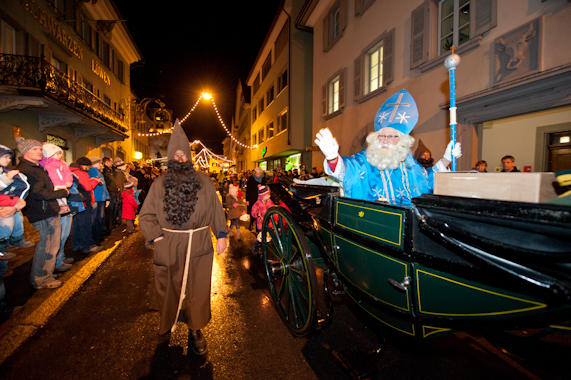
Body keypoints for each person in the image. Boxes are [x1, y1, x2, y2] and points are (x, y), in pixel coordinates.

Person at [139, 120, 228, 356]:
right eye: (176, 155)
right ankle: (166, 326)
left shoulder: (205, 182)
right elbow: (146, 215)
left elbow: (216, 210)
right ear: (170, 158)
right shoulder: (159, 184)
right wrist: (156, 237)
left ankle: (195, 329)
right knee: (168, 287)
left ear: (189, 158)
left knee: (197, 288)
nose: (180, 159)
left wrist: (221, 234)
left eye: (183, 155)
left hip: (198, 242)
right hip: (168, 243)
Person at [314, 89, 462, 206]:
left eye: (392, 136)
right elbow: (348, 170)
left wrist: (446, 158)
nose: (385, 140)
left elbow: (427, 180)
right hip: (375, 226)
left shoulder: (409, 163)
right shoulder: (365, 159)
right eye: (382, 135)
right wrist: (333, 157)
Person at [16, 137, 68, 289]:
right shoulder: (27, 169)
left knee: (52, 246)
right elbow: (38, 193)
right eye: (35, 149)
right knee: (47, 247)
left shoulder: (36, 167)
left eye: (40, 148)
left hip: (48, 210)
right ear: (26, 152)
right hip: (42, 212)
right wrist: (60, 193)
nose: (40, 151)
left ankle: (47, 273)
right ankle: (41, 279)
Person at [0, 145, 31, 252]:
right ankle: (2, 249)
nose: (7, 160)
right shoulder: (5, 172)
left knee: (18, 220)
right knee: (6, 225)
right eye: (4, 157)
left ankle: (16, 240)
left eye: (9, 157)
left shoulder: (6, 170)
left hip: (9, 202)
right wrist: (8, 178)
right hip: (3, 204)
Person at [70, 157, 102, 256]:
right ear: (84, 165)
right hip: (84, 202)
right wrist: (95, 181)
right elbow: (88, 187)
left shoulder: (71, 171)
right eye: (88, 166)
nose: (88, 168)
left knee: (77, 225)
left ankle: (77, 245)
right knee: (85, 225)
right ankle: (88, 246)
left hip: (75, 203)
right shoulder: (81, 173)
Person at [38, 143, 72, 215]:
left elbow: (67, 173)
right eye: (57, 154)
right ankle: (60, 208)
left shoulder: (62, 164)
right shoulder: (44, 163)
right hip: (51, 185)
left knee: (62, 198)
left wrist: (68, 181)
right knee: (55, 200)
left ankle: (64, 207)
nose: (60, 156)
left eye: (60, 154)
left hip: (61, 184)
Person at [88, 157, 109, 243]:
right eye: (100, 163)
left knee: (99, 219)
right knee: (96, 219)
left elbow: (104, 187)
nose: (101, 165)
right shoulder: (92, 171)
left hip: (101, 198)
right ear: (95, 164)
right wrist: (106, 197)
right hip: (97, 199)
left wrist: (107, 197)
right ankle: (96, 238)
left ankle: (99, 237)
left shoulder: (98, 172)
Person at [250, 185, 275, 256]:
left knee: (266, 237)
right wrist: (257, 214)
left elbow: (272, 208)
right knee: (261, 238)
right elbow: (253, 212)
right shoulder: (257, 203)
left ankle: (265, 250)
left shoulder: (269, 201)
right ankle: (256, 246)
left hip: (268, 223)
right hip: (260, 224)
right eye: (267, 195)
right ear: (262, 196)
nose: (269, 196)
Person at [246, 167, 265, 231]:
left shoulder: (263, 179)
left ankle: (258, 227)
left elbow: (265, 188)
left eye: (259, 173)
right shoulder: (251, 179)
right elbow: (248, 190)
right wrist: (247, 200)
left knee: (259, 212)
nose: (258, 175)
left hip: (261, 198)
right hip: (252, 198)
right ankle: (251, 224)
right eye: (257, 173)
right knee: (252, 211)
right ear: (255, 173)